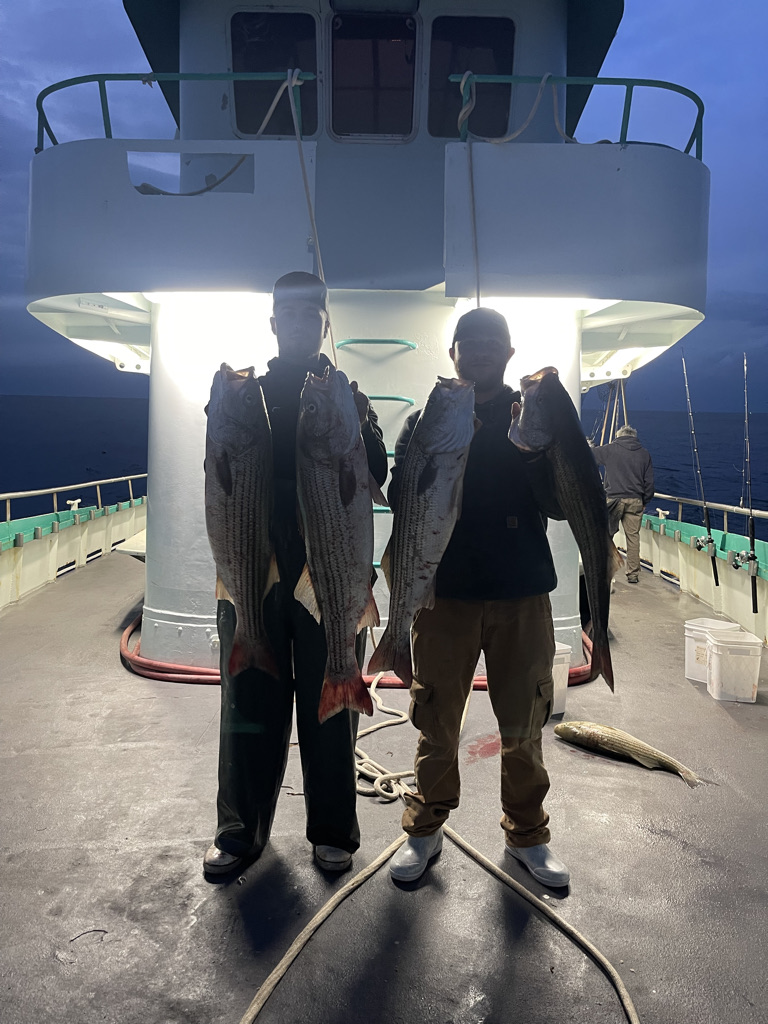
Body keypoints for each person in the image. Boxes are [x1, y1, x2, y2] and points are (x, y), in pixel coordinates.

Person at [203, 272, 388, 876]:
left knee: (330, 696)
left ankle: (332, 829)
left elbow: (374, 474)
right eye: (290, 314)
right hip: (253, 556)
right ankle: (239, 831)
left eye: (312, 315)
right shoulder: (247, 393)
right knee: (247, 704)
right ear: (275, 323)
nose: (301, 324)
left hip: (325, 565)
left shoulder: (342, 393)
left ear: (322, 324)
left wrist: (362, 425)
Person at [387, 307, 571, 888]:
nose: (482, 350)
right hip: (446, 594)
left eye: (493, 341)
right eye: (470, 341)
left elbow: (560, 504)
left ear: (509, 354)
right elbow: (401, 501)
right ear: (455, 354)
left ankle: (527, 834)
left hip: (521, 591)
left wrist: (538, 452)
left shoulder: (532, 418)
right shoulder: (424, 419)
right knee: (435, 717)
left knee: (524, 722)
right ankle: (424, 828)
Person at [591, 425, 654, 584]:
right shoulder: (644, 454)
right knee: (633, 538)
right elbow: (649, 483)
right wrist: (644, 501)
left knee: (606, 536)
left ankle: (603, 571)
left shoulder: (610, 449)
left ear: (618, 436)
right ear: (634, 436)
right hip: (635, 501)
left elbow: (589, 456)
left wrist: (589, 445)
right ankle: (633, 574)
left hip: (614, 499)